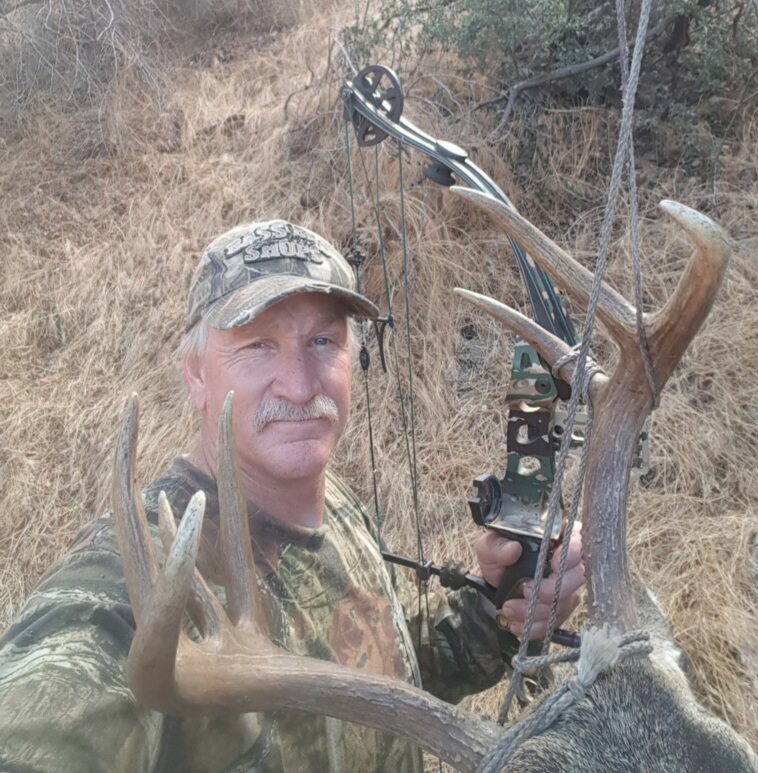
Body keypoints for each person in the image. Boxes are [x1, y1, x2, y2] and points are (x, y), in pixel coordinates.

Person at [0, 220, 584, 772]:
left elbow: (388, 670)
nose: (301, 384)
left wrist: (501, 610)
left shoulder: (334, 502)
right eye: (258, 345)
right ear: (196, 373)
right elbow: (49, 705)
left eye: (323, 340)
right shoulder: (136, 577)